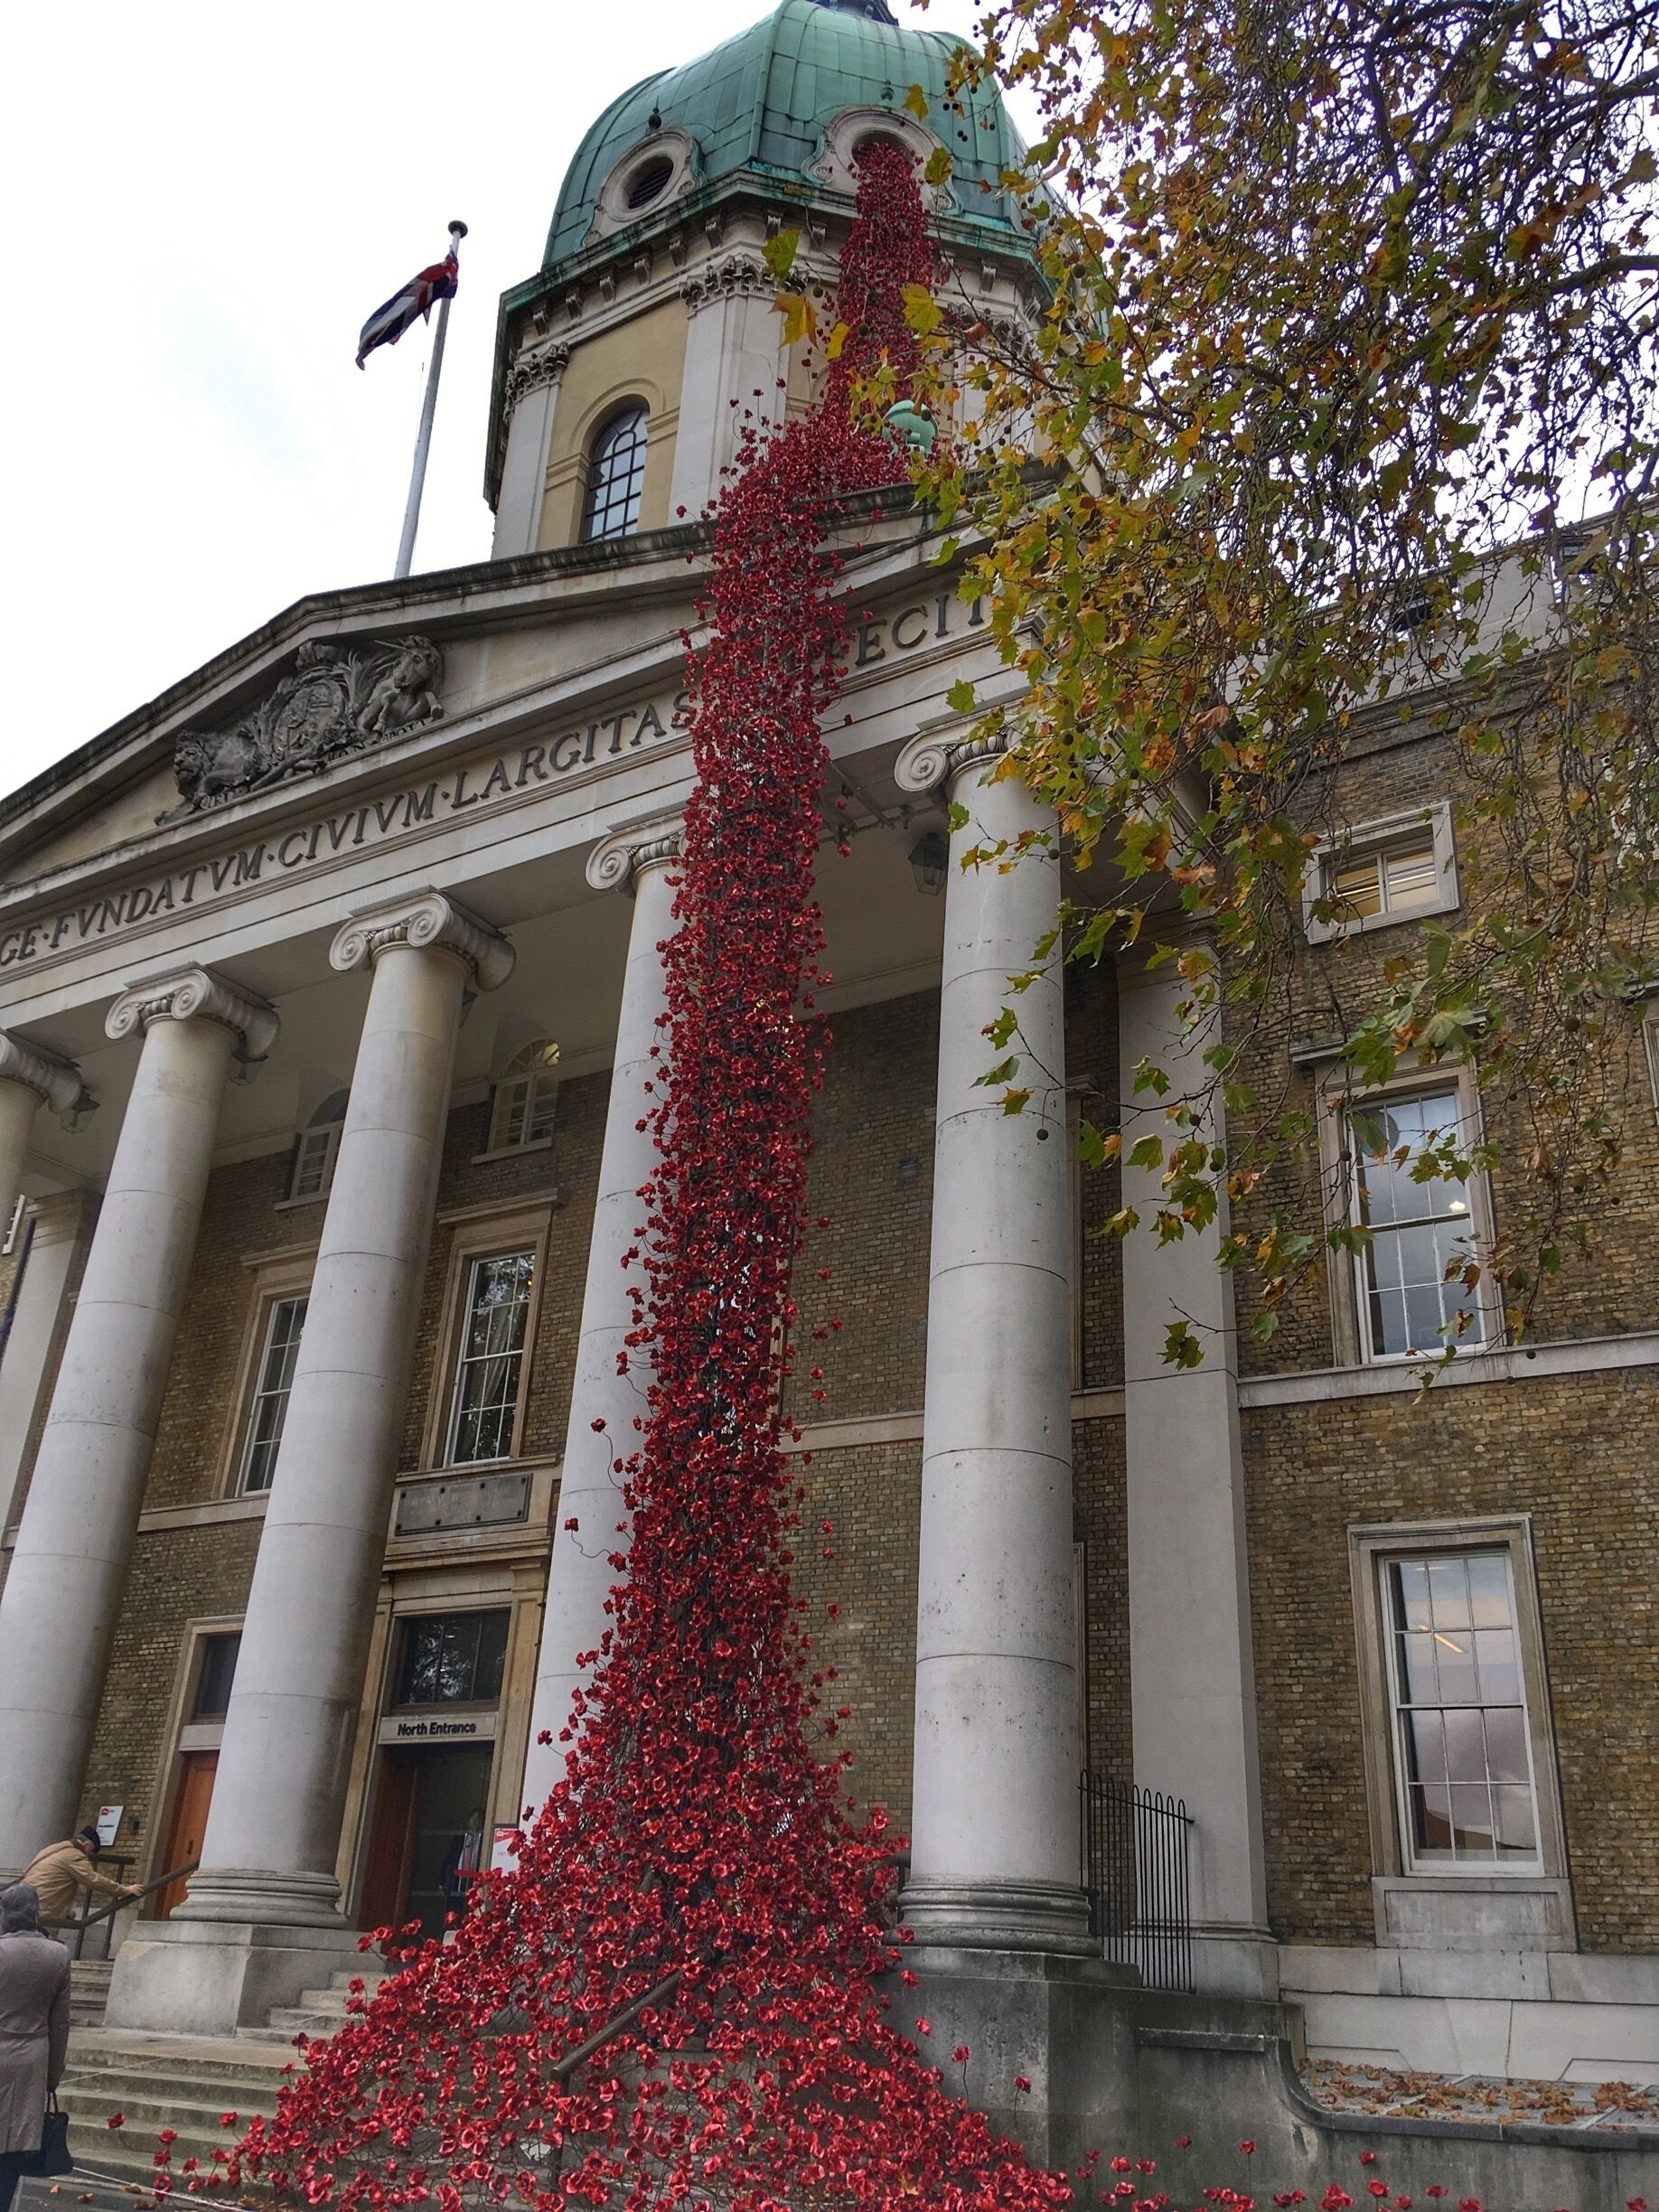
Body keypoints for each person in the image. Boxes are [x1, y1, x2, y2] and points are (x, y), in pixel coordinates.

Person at [0, 1885, 70, 2212]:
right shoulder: (58, 1954)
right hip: (32, 2058)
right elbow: (60, 2023)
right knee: (15, 2143)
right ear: (35, 1914)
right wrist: (53, 2075)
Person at [19, 1830, 138, 1935]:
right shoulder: (74, 1855)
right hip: (43, 1911)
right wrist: (124, 1890)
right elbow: (94, 1880)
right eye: (90, 1851)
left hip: (25, 1904)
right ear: (86, 1845)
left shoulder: (54, 1848)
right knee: (40, 1948)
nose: (88, 1855)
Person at [440, 1809, 484, 1919]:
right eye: (473, 1819)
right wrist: (442, 1881)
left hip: (473, 1881)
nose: (475, 1822)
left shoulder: (483, 1840)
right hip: (456, 1881)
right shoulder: (460, 1838)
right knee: (453, 1911)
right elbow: (449, 1859)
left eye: (478, 1819)